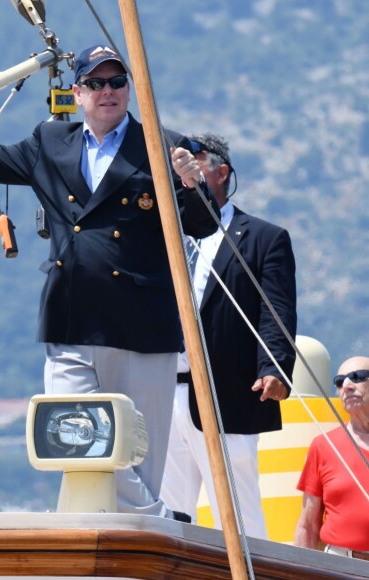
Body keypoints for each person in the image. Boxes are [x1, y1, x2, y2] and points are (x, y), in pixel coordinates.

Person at [0, 45, 220, 517]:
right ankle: (156, 518)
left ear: (129, 89)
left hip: (142, 327)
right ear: (77, 92)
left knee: (143, 451)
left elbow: (202, 225)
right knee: (76, 432)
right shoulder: (50, 143)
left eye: (116, 82)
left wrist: (193, 184)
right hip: (71, 318)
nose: (108, 91)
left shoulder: (160, 145)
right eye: (95, 83)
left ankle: (140, 536)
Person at [160, 133, 297, 537]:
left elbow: (277, 311)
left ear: (221, 172)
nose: (183, 165)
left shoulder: (263, 238)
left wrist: (274, 366)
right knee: (167, 514)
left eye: (194, 158)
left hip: (228, 391)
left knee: (237, 517)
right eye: (178, 159)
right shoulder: (163, 230)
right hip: (163, 390)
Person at [294, 356, 369, 559]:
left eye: (357, 377)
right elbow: (308, 525)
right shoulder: (323, 446)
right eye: (339, 381)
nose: (347, 385)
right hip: (339, 565)